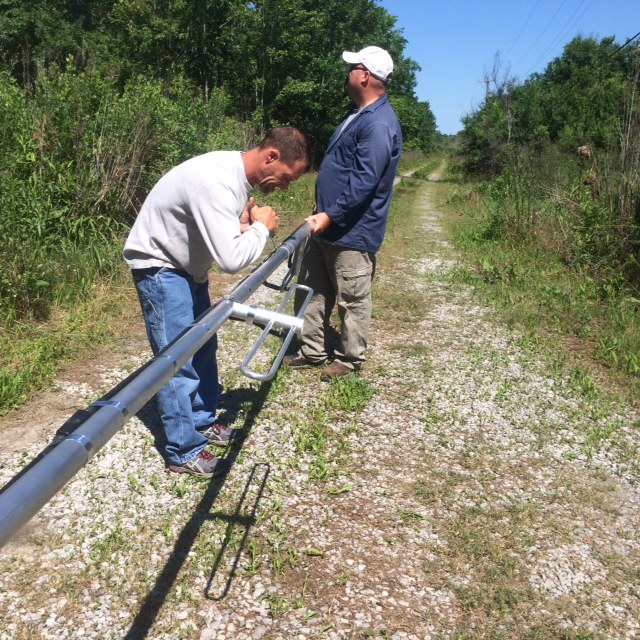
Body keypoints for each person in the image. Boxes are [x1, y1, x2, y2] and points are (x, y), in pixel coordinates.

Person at [124, 127, 310, 478]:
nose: (284, 187)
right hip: (162, 268)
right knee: (177, 359)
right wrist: (261, 229)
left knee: (204, 346)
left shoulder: (235, 176)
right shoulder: (217, 182)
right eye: (286, 178)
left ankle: (201, 421)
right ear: (271, 156)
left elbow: (220, 232)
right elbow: (231, 259)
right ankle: (183, 450)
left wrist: (243, 226)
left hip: (186, 266)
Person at [285, 46, 403, 380]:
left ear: (365, 75)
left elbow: (365, 181)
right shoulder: (359, 113)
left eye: (353, 66)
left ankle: (350, 360)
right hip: (329, 224)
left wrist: (330, 214)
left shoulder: (379, 123)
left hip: (352, 231)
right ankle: (312, 350)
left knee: (351, 298)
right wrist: (322, 208)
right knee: (312, 290)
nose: (347, 71)